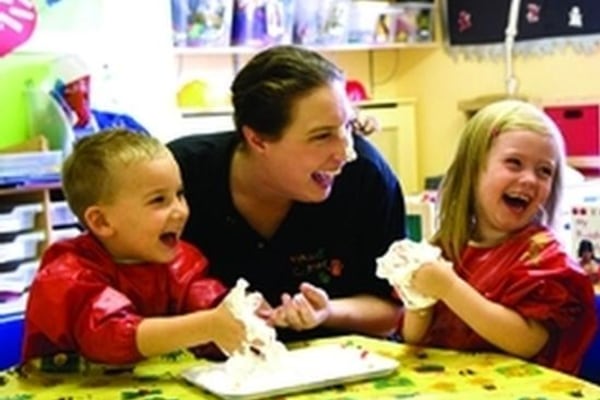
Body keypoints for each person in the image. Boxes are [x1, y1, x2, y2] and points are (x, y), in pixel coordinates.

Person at [167, 45, 406, 342]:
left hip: (342, 362)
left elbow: (393, 313)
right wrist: (212, 318)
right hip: (217, 370)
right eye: (322, 136)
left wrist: (327, 311)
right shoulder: (181, 176)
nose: (347, 153)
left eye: (346, 127)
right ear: (257, 139)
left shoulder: (366, 176)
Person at [399, 99, 597, 375]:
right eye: (514, 163)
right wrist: (418, 294)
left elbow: (527, 342)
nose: (529, 179)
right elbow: (413, 338)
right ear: (473, 170)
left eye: (544, 171)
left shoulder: (546, 259)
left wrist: (448, 287)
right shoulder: (448, 246)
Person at [22, 128, 247, 365]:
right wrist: (207, 325)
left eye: (179, 194)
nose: (181, 211)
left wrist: (241, 314)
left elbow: (202, 296)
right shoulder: (67, 273)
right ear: (102, 221)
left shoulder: (178, 260)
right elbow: (110, 335)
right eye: (159, 200)